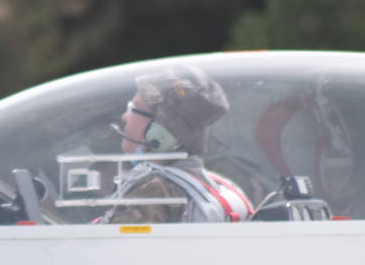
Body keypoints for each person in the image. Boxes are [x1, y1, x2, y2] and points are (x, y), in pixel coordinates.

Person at [103, 65, 253, 224]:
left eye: (133, 109)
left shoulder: (152, 194)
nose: (124, 117)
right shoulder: (222, 185)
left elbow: (120, 247)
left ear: (159, 132)